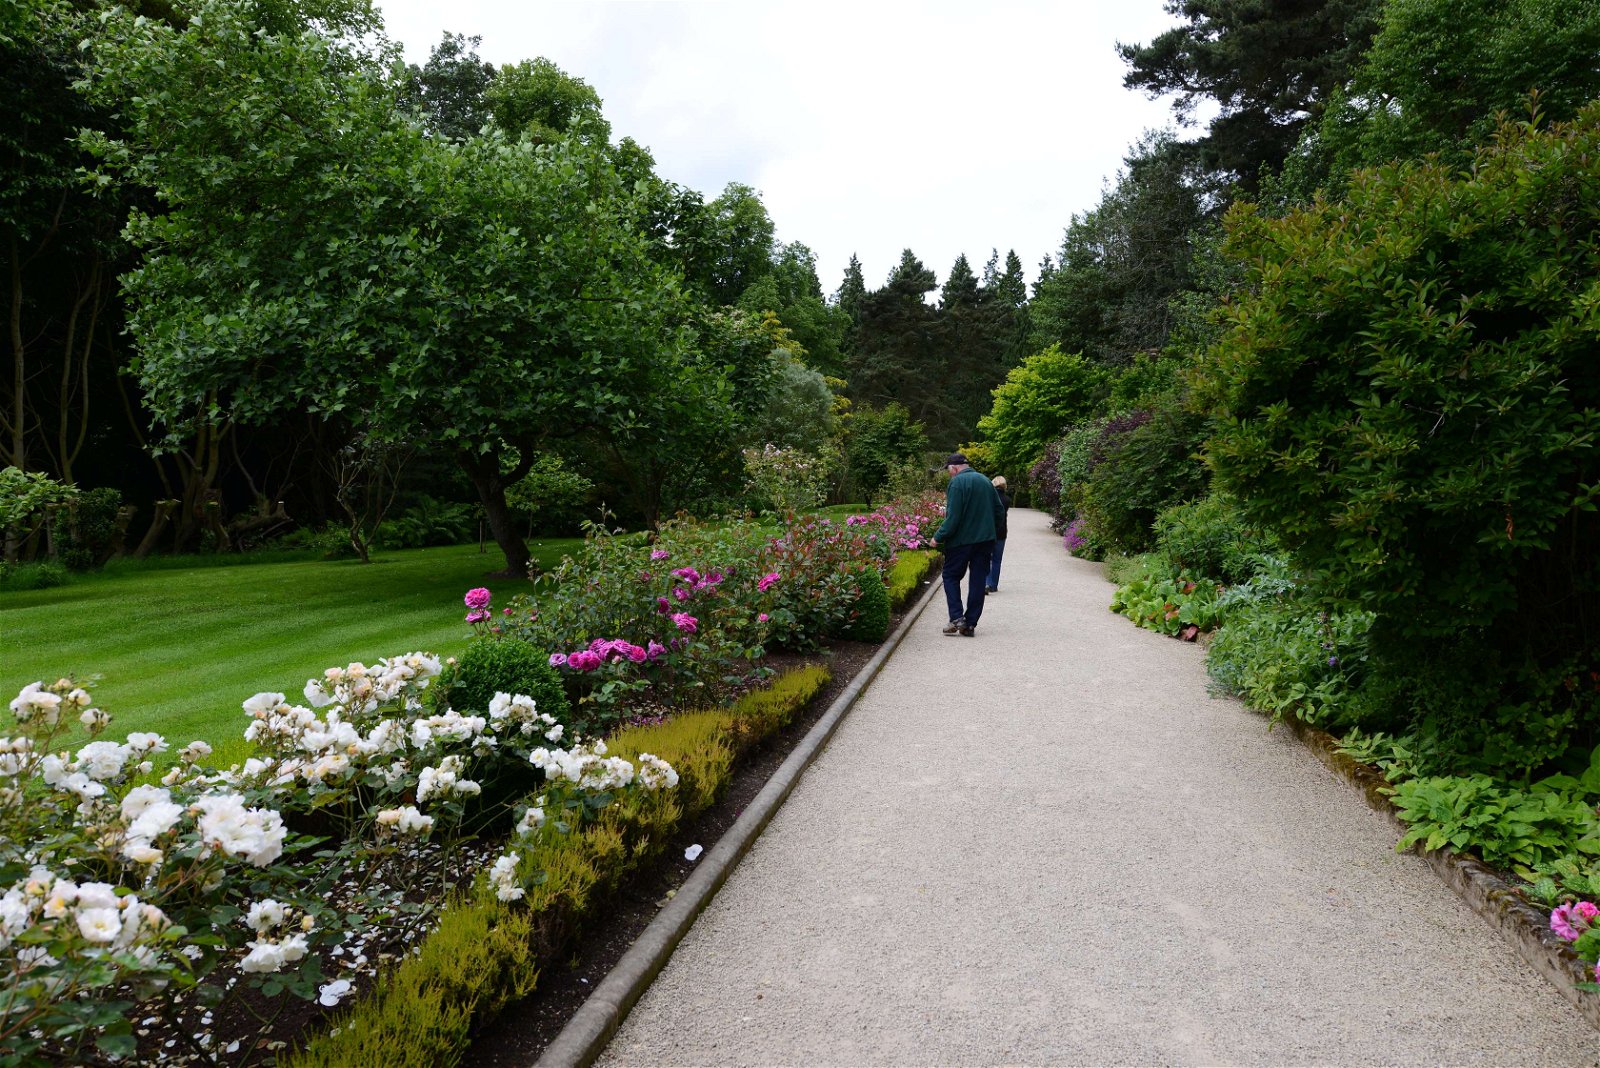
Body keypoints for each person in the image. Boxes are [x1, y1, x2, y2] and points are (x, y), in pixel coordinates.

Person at [929, 453, 1004, 637]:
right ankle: (969, 624)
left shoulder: (956, 483)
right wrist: (990, 531)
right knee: (978, 580)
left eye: (948, 470)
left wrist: (937, 537)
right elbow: (999, 511)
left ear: (954, 468)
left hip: (961, 542)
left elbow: (953, 517)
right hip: (984, 542)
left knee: (950, 575)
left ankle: (956, 618)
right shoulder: (986, 481)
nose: (949, 474)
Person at [986, 475, 1012, 594]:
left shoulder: (988, 498)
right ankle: (993, 585)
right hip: (1001, 532)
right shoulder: (1007, 499)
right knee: (997, 560)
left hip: (989, 532)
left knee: (987, 558)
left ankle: (986, 582)